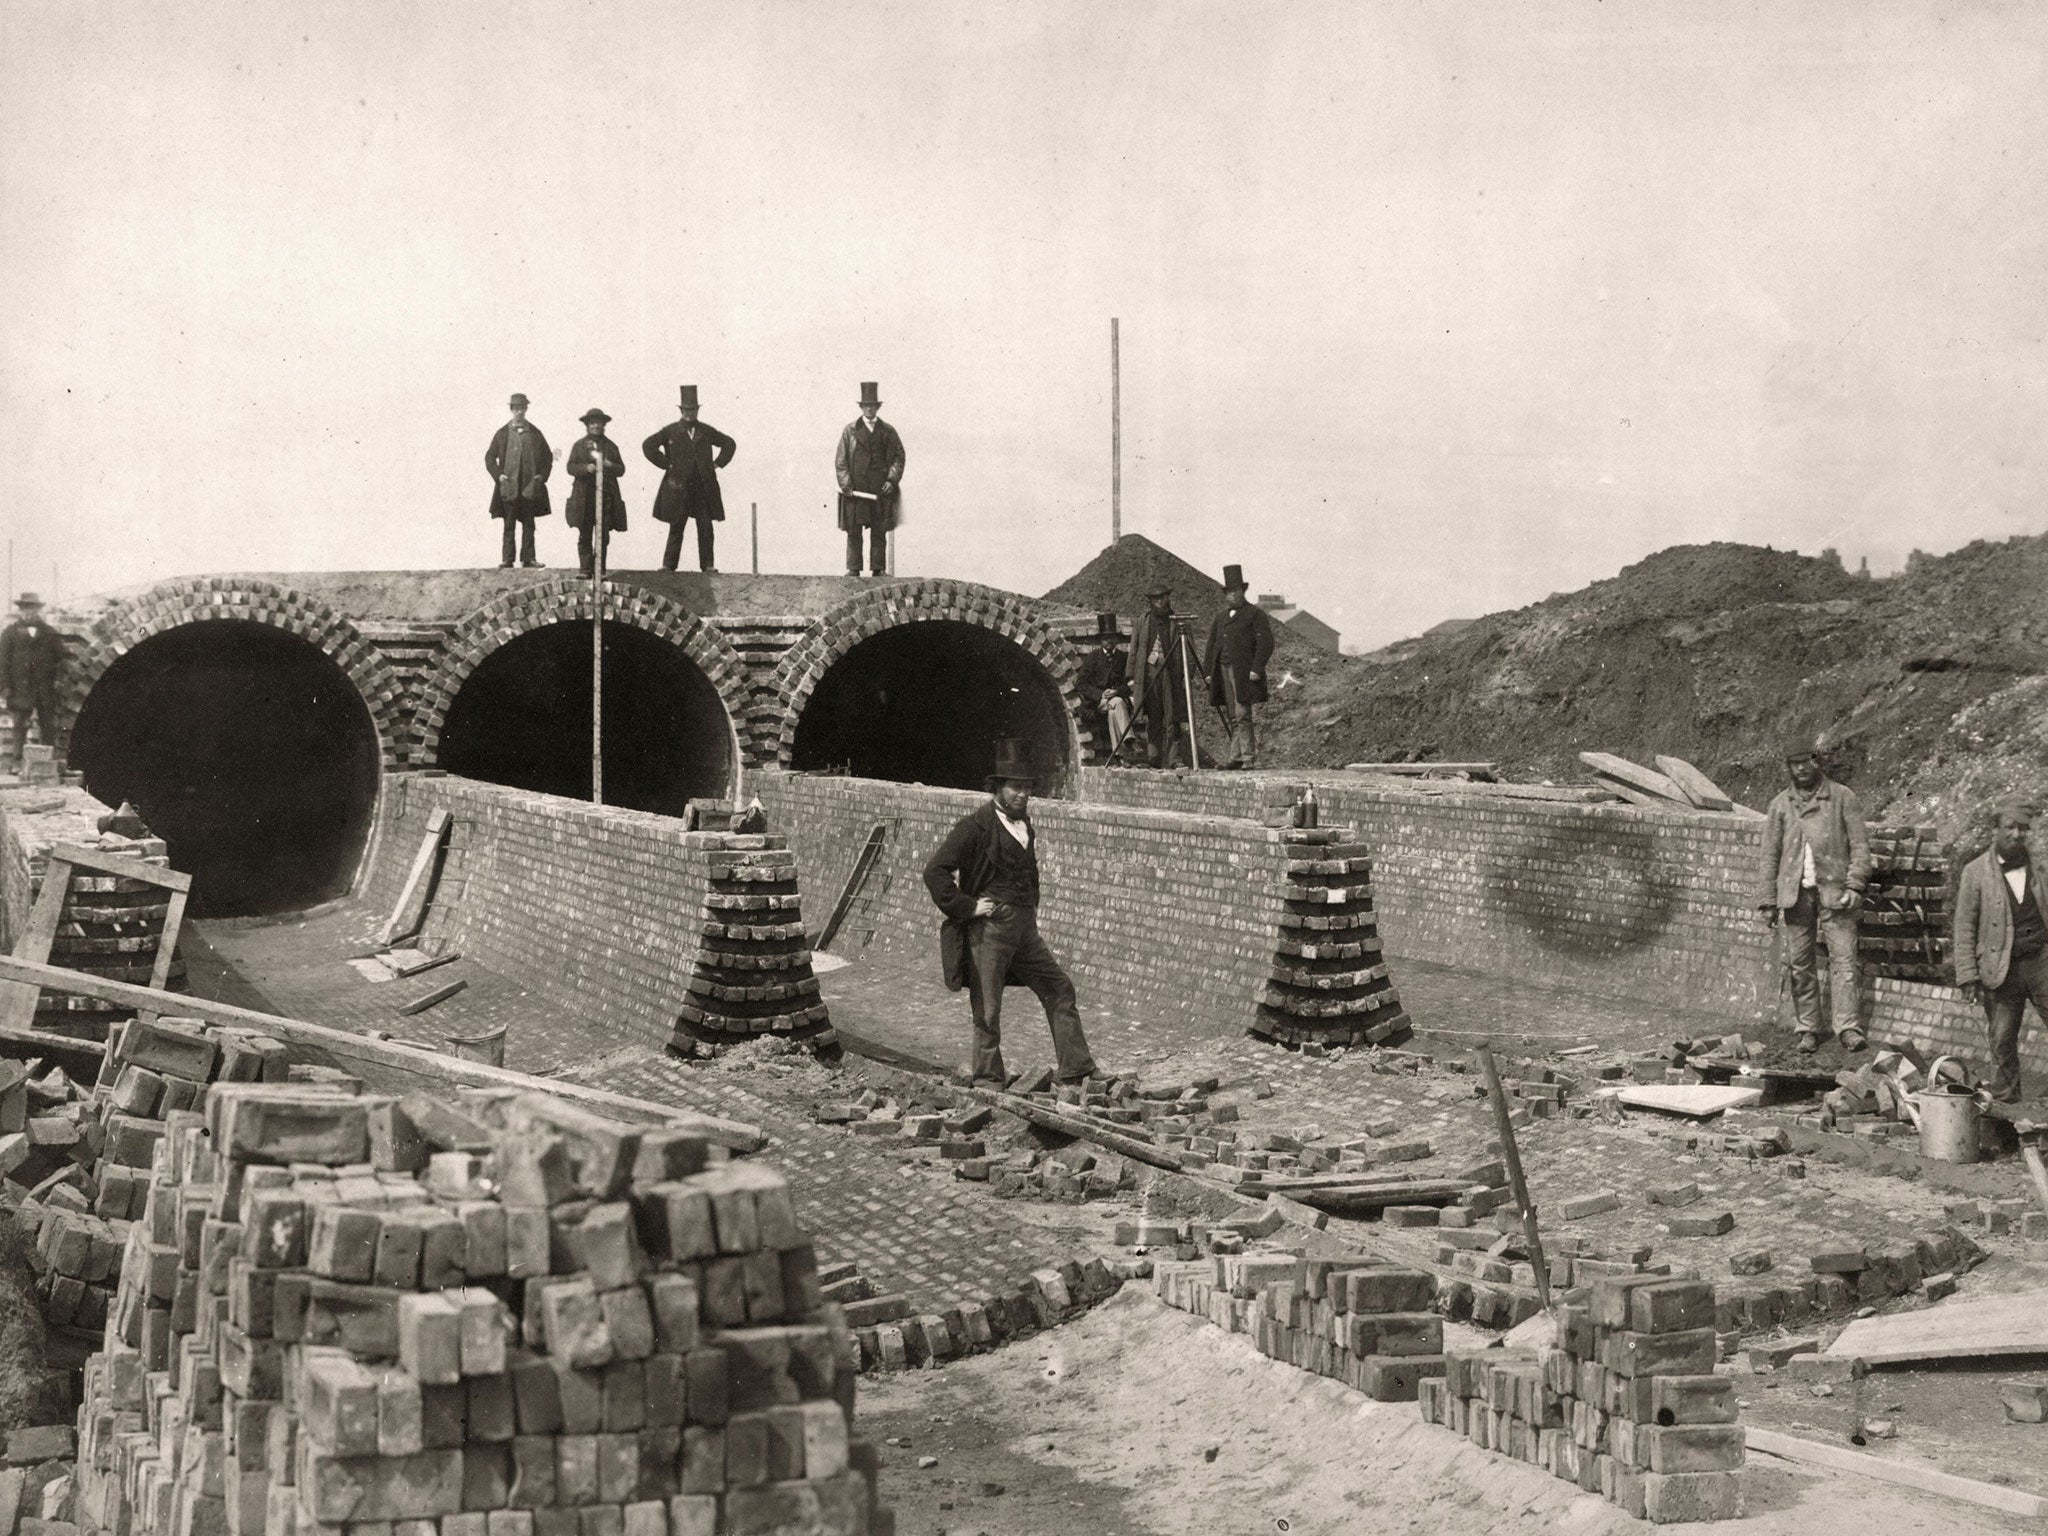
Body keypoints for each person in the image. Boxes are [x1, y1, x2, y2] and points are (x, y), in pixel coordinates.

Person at [922, 737, 1100, 1088]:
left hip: (1024, 930)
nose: (1022, 794)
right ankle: (988, 1077)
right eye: (1015, 787)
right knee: (987, 1008)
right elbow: (935, 871)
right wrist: (968, 906)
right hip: (989, 930)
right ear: (998, 788)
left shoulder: (1024, 826)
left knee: (1059, 988)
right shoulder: (974, 828)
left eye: (1027, 788)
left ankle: (1076, 1068)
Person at [1756, 739, 1871, 1052]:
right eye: (1795, 764)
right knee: (1800, 964)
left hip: (1835, 893)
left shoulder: (1842, 797)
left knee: (1844, 961)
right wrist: (1768, 901)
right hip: (1796, 895)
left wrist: (1854, 885)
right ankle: (1808, 1027)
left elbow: (1860, 846)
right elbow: (1770, 855)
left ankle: (1847, 1027)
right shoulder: (1781, 805)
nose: (1801, 768)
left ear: (1817, 761)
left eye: (1806, 761)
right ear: (1789, 768)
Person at [1953, 799, 2048, 1103]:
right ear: (1995, 830)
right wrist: (1968, 975)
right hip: (2000, 969)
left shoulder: (2042, 866)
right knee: (2002, 1039)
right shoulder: (1975, 872)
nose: (2017, 834)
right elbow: (1964, 926)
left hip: (2041, 962)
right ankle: (2007, 1101)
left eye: (2022, 828)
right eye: (2010, 827)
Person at [643, 386, 735, 572]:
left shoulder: (706, 431)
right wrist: (667, 464)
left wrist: (717, 464)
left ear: (697, 411)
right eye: (686, 409)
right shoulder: (670, 431)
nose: (689, 413)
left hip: (702, 488)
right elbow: (648, 445)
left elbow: (729, 443)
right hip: (678, 487)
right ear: (681, 410)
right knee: (676, 525)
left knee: (705, 526)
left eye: (692, 409)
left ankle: (708, 565)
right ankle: (668, 565)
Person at [1204, 564, 1276, 770]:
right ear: (1225, 595)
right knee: (1233, 715)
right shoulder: (1221, 618)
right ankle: (1235, 757)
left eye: (1236, 590)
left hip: (1244, 672)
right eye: (1229, 591)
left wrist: (1257, 668)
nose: (1233, 595)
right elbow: (1211, 646)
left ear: (1243, 592)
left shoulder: (1255, 614)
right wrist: (1209, 671)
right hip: (1223, 670)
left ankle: (1247, 758)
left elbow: (1266, 643)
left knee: (1243, 714)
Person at [835, 381, 905, 576]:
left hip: (879, 489)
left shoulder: (888, 431)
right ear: (861, 407)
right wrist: (846, 484)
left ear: (877, 407)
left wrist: (891, 480)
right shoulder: (850, 431)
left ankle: (878, 569)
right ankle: (853, 568)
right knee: (854, 530)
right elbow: (840, 460)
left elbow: (899, 457)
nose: (869, 408)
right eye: (866, 405)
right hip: (856, 490)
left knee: (879, 529)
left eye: (872, 405)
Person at [1126, 583, 1194, 768]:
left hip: (1171, 674)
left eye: (1162, 598)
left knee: (1172, 717)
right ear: (1150, 601)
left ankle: (1174, 758)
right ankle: (1153, 756)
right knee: (1153, 716)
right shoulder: (1143, 621)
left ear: (1167, 598)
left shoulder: (1177, 621)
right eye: (1155, 598)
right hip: (1148, 674)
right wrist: (1131, 677)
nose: (1159, 601)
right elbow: (1134, 650)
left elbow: (1189, 651)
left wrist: (1187, 675)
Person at [485, 393, 552, 568]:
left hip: (529, 487)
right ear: (511, 410)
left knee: (529, 524)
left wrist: (541, 477)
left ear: (526, 409)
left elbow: (548, 457)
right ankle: (508, 559)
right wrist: (499, 475)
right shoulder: (502, 434)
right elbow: (490, 457)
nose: (520, 411)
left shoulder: (535, 433)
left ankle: (528, 559)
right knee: (509, 525)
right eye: (516, 408)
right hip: (509, 487)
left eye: (522, 408)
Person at [0, 593, 64, 773]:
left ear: (38, 610)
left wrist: (54, 679)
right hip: (20, 689)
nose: (29, 612)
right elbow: (2, 663)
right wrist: (5, 688)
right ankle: (16, 762)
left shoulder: (49, 633)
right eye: (26, 608)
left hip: (44, 688)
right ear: (20, 610)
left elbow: (60, 657)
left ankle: (47, 764)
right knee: (19, 724)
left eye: (33, 608)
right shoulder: (10, 633)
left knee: (47, 726)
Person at [564, 409, 627, 578]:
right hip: (584, 497)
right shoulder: (578, 446)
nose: (596, 426)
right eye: (592, 423)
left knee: (602, 535)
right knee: (585, 534)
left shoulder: (611, 447)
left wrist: (608, 465)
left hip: (606, 497)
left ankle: (600, 569)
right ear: (587, 425)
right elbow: (570, 467)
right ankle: (585, 570)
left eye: (599, 423)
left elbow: (621, 470)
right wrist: (585, 468)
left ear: (604, 425)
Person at [1075, 613, 1133, 762]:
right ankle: (1128, 741)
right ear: (1101, 640)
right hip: (1098, 703)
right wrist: (1101, 695)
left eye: (1112, 638)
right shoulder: (1093, 658)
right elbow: (1081, 683)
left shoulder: (1123, 658)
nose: (1109, 641)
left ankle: (1119, 753)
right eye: (1106, 638)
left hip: (1117, 701)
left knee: (1117, 704)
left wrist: (1116, 691)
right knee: (1116, 706)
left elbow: (1131, 684)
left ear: (1116, 639)